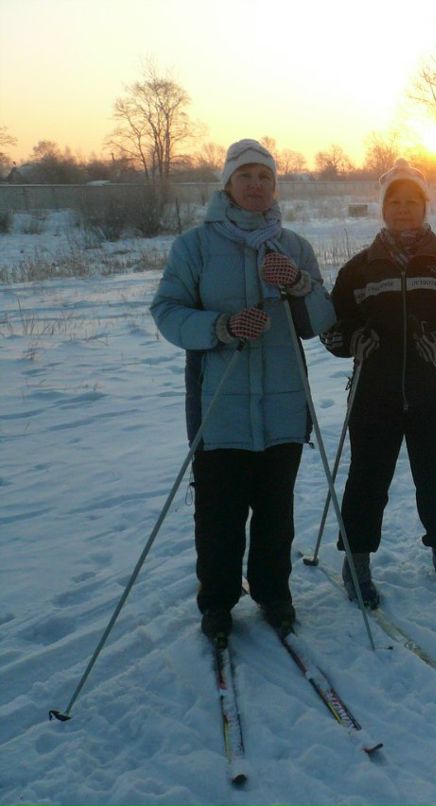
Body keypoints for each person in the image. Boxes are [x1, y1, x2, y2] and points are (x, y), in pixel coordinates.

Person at [150, 139, 336, 643]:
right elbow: (167, 312)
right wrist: (223, 327)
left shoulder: (294, 246)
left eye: (265, 177)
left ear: (275, 186)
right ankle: (217, 603)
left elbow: (320, 322)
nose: (256, 185)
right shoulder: (195, 246)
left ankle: (274, 594)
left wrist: (299, 284)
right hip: (219, 412)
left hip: (282, 408)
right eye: (246, 175)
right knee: (218, 517)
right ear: (228, 183)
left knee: (277, 515)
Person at [321, 159, 436, 606]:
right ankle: (356, 558)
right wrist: (354, 338)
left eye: (411, 202)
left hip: (435, 392)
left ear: (424, 207)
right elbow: (331, 324)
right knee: (367, 476)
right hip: (373, 394)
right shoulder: (360, 269)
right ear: (384, 208)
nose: (403, 210)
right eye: (394, 203)